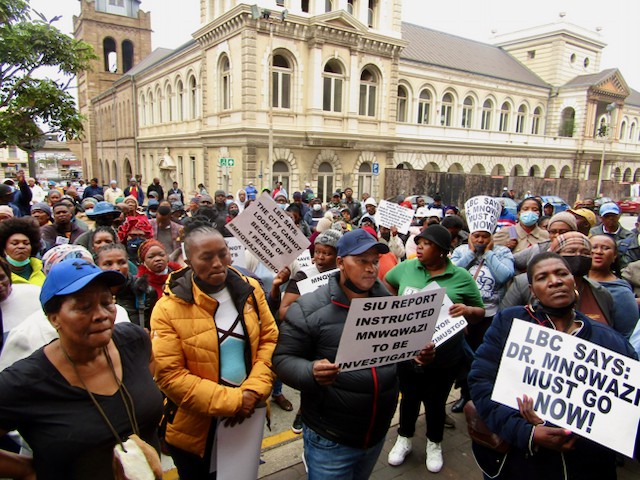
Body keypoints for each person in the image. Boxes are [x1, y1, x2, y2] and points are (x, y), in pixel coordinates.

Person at [273, 229, 436, 478]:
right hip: (330, 438)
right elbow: (283, 360)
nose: (371, 268)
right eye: (361, 261)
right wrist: (310, 371)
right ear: (340, 263)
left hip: (376, 434)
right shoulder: (308, 308)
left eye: (374, 261)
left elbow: (393, 359)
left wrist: (416, 358)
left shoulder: (390, 306)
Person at [468, 252, 639, 479]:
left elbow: (627, 411)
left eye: (561, 274)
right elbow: (481, 382)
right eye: (542, 277)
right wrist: (528, 433)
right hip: (521, 464)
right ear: (532, 290)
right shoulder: (509, 322)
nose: (555, 281)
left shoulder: (610, 342)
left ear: (574, 281)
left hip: (586, 465)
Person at [0, 258, 163, 479]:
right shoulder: (24, 382)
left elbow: (150, 367)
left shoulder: (133, 340)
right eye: (84, 307)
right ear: (54, 318)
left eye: (107, 302)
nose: (101, 315)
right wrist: (27, 471)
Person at [151, 221, 278, 479]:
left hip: (246, 418)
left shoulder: (250, 290)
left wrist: (253, 391)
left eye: (223, 254)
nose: (218, 263)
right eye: (206, 258)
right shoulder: (167, 309)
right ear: (188, 260)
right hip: (195, 432)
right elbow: (169, 376)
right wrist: (233, 402)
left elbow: (270, 340)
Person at [384, 224, 484, 472]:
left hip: (445, 357)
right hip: (407, 353)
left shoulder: (460, 276)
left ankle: (434, 443)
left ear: (441, 251)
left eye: (426, 244)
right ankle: (404, 438)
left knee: (436, 401)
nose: (419, 247)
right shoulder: (406, 267)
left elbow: (479, 311)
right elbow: (388, 283)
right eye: (418, 242)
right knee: (408, 398)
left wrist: (468, 311)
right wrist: (393, 307)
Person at [588, 234, 638, 339]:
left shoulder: (621, 293)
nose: (598, 252)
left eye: (605, 248)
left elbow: (628, 335)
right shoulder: (576, 283)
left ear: (614, 256)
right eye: (594, 247)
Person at [0, 217, 46, 286]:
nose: (21, 246)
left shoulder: (43, 269)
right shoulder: (1, 273)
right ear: (4, 248)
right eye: (15, 243)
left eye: (26, 243)